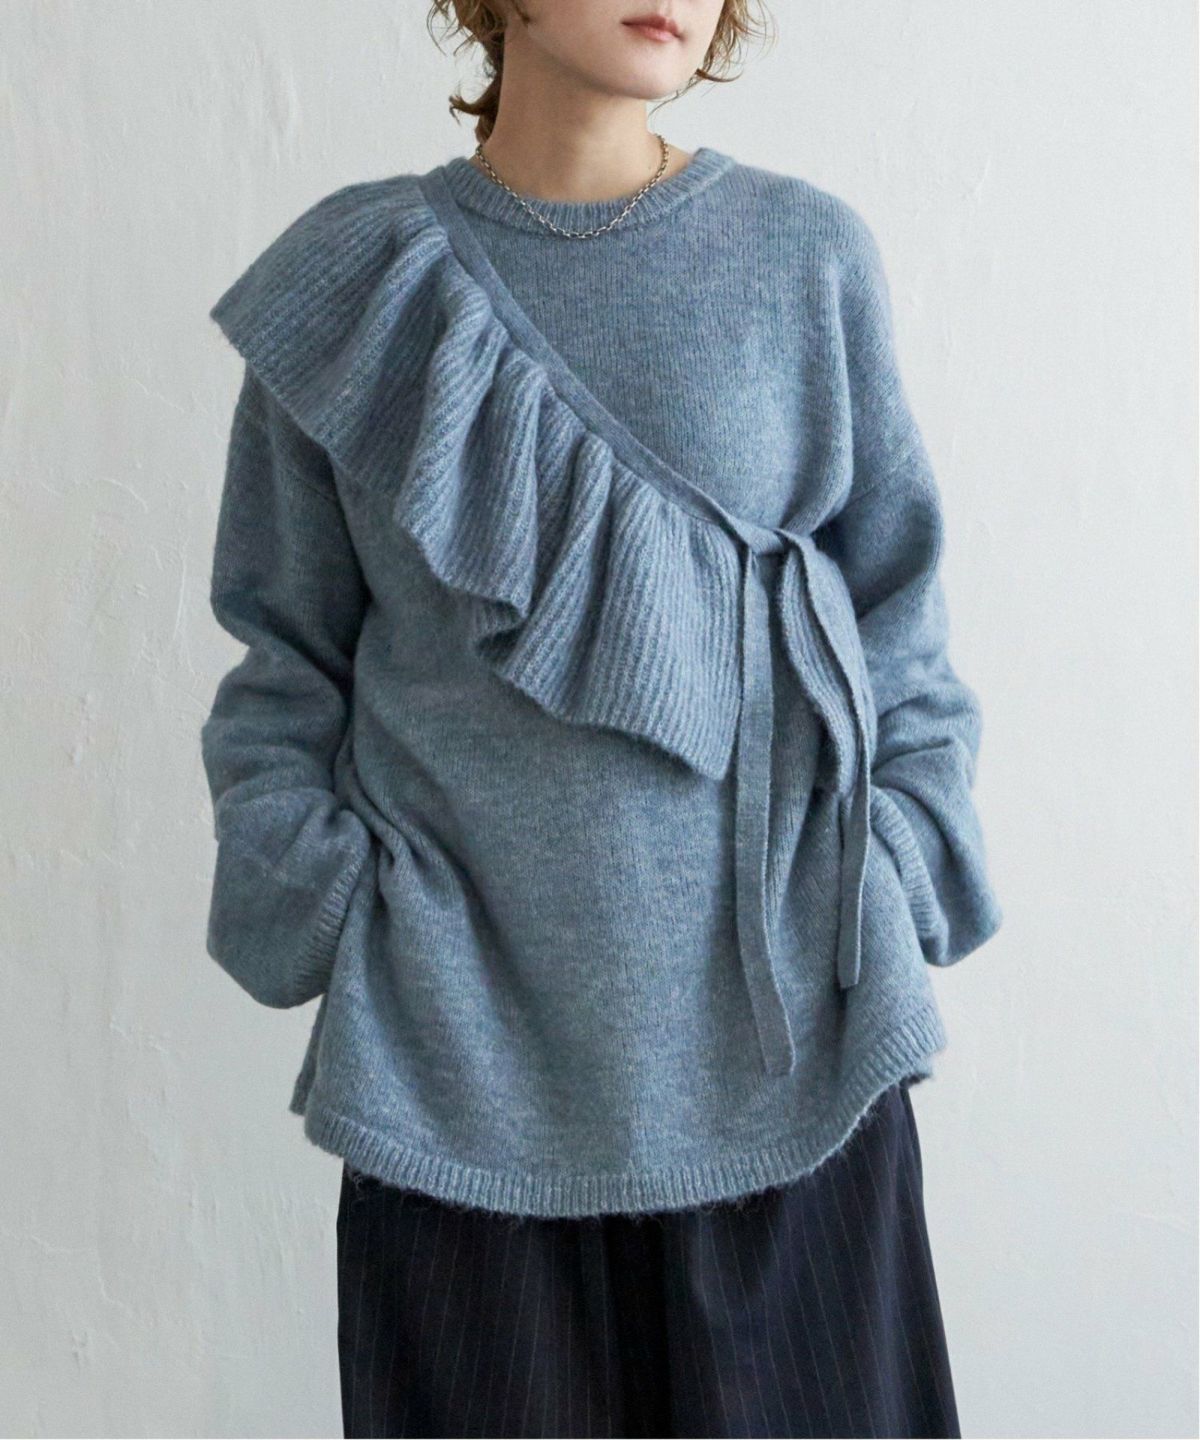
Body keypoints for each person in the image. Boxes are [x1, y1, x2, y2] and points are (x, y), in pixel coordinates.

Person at [199, 1, 1003, 1435]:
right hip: (455, 1095)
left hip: (796, 1075)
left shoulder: (803, 258)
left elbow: (900, 625)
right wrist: (340, 914)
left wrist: (886, 872)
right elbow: (283, 659)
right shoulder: (359, 285)